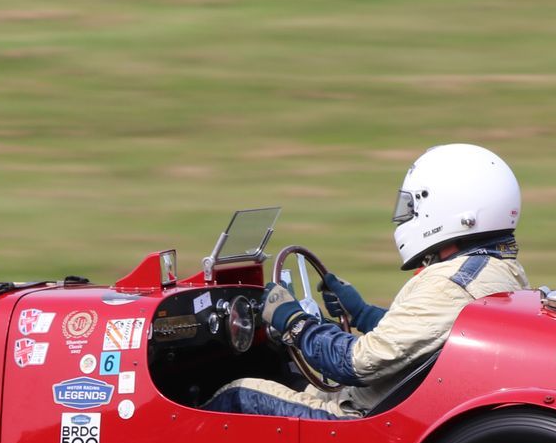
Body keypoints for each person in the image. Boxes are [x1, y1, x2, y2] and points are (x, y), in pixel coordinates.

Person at [204, 143, 530, 420]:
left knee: (238, 394)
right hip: (394, 403)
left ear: (450, 209)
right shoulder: (496, 270)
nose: (407, 217)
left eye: (414, 207)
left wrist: (295, 322)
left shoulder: (452, 284)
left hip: (357, 418)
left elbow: (355, 364)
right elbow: (424, 335)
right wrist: (362, 315)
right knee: (286, 377)